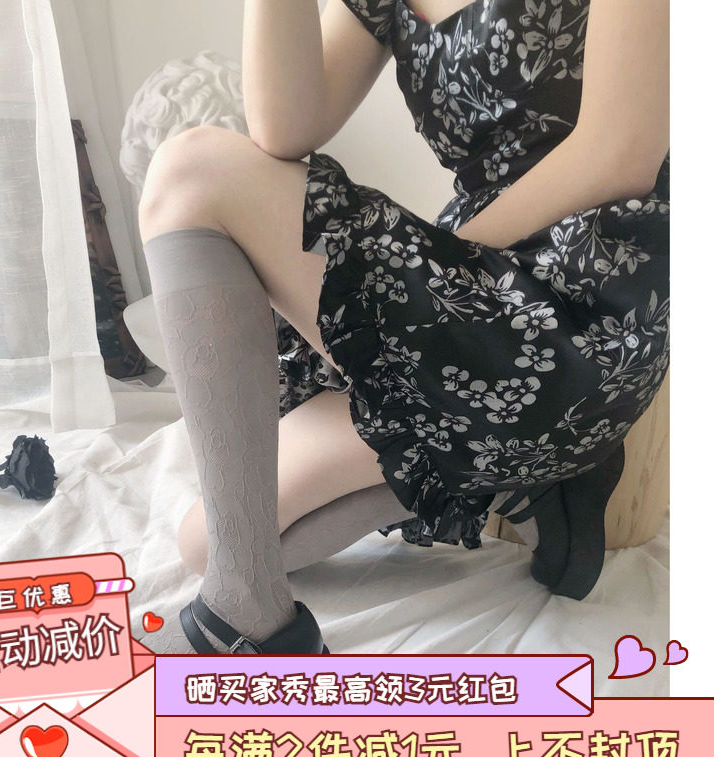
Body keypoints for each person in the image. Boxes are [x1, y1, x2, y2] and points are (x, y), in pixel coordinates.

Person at [138, 0, 669, 654]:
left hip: (585, 312)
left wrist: (423, 270)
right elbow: (281, 130)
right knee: (209, 539)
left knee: (191, 169)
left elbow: (621, 153)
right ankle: (521, 479)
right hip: (471, 310)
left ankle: (250, 614)